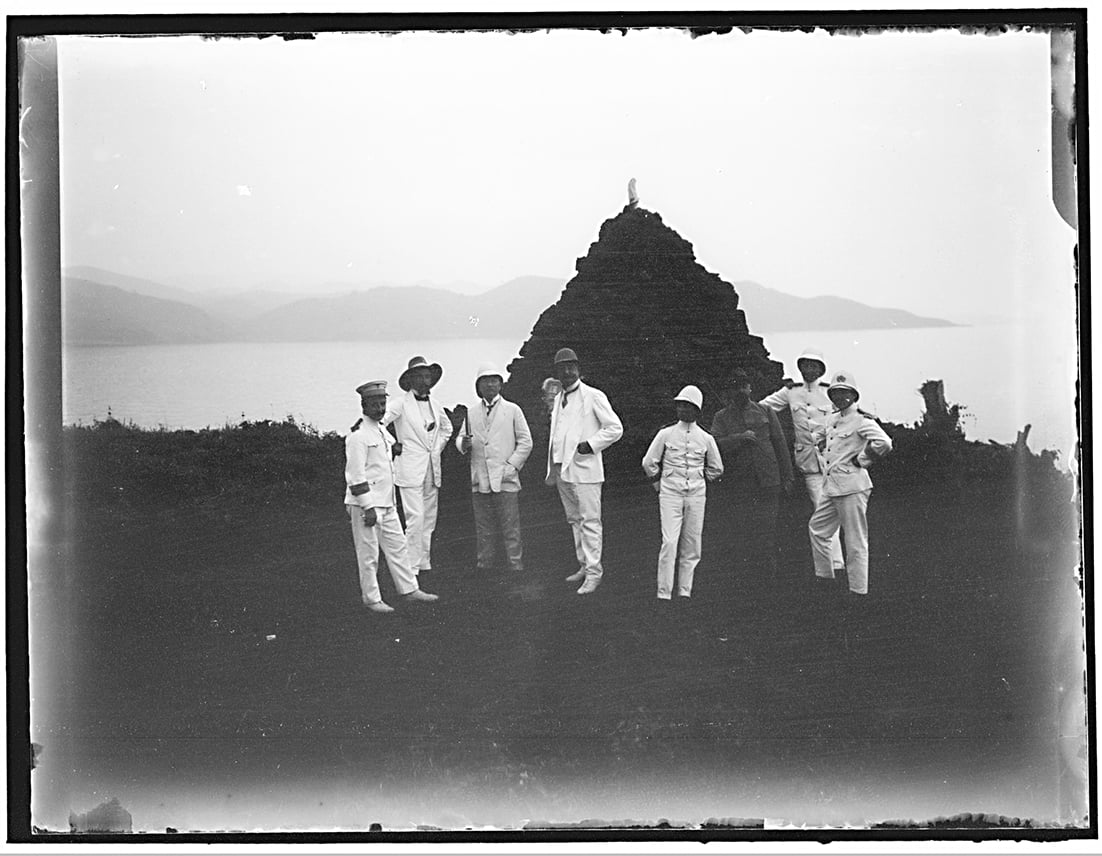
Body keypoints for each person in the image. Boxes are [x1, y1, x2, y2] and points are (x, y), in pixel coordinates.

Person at [345, 381, 439, 613]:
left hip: (386, 502)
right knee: (369, 555)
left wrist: (395, 449)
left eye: (382, 403)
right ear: (363, 405)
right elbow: (355, 476)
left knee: (398, 548)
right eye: (374, 404)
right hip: (366, 504)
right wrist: (367, 507)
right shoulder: (358, 436)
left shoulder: (380, 430)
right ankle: (372, 599)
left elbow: (387, 455)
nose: (380, 408)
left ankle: (409, 590)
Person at [759, 348, 846, 581]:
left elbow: (847, 416)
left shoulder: (830, 392)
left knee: (832, 508)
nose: (809, 370)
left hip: (832, 459)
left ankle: (835, 563)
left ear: (821, 369)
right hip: (808, 463)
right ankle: (830, 565)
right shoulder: (791, 392)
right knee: (821, 508)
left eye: (813, 366)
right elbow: (763, 407)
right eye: (805, 365)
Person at [545, 348, 624, 595]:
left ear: (579, 368)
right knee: (574, 520)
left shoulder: (593, 395)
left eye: (571, 366)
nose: (567, 371)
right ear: (557, 372)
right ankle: (584, 565)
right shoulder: (559, 398)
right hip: (561, 469)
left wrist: (590, 445)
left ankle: (594, 573)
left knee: (590, 521)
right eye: (562, 368)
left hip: (585, 470)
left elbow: (615, 428)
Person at [808, 370, 893, 598]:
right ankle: (825, 579)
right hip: (831, 487)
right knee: (818, 530)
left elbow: (884, 443)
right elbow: (823, 443)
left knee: (855, 540)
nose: (840, 397)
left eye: (845, 393)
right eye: (836, 393)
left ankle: (858, 590)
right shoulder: (831, 420)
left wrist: (863, 459)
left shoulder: (862, 421)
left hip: (853, 487)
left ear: (854, 395)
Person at [641, 385, 723, 601]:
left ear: (697, 410)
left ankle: (685, 590)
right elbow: (649, 462)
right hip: (670, 494)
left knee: (692, 543)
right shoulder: (665, 434)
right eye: (680, 406)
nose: (683, 410)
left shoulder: (706, 438)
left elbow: (717, 468)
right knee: (669, 542)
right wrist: (658, 484)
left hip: (696, 495)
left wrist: (701, 479)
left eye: (689, 406)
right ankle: (663, 592)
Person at [710, 368, 793, 578]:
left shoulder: (766, 411)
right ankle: (745, 575)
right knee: (742, 528)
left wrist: (788, 476)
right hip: (739, 483)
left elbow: (780, 443)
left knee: (768, 528)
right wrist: (740, 437)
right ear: (729, 391)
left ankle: (768, 574)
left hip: (768, 479)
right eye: (735, 386)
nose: (740, 391)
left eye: (743, 386)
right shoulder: (721, 417)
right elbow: (715, 444)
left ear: (749, 388)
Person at [455, 363, 534, 572]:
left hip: (505, 479)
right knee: (484, 528)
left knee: (511, 528)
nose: (490, 385)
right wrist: (463, 444)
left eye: (494, 381)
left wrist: (512, 466)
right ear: (478, 386)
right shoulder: (471, 413)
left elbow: (526, 442)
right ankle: (484, 566)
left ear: (500, 384)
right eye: (485, 381)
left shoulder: (513, 410)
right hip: (480, 479)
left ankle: (515, 565)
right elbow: (461, 439)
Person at [383, 356, 454, 575]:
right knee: (416, 518)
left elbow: (447, 429)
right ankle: (409, 567)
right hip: (409, 470)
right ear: (411, 379)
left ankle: (424, 563)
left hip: (432, 471)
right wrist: (393, 443)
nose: (425, 380)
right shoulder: (399, 404)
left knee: (429, 519)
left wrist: (435, 448)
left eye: (427, 376)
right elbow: (378, 424)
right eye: (420, 376)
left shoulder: (435, 404)